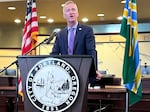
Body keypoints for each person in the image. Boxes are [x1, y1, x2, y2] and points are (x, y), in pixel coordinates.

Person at [50, 0, 102, 82]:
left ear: (77, 13)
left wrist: (94, 70)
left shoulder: (87, 30)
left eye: (73, 10)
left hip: (82, 73)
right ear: (64, 15)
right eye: (68, 10)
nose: (71, 12)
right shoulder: (60, 34)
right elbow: (54, 54)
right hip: (64, 75)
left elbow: (91, 51)